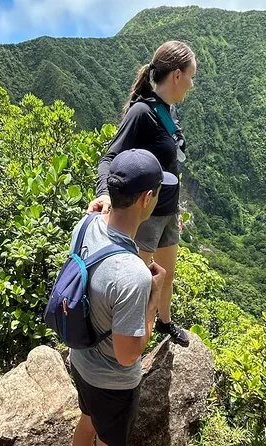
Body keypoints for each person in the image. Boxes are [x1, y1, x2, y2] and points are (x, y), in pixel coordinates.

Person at [87, 40, 197, 348]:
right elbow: (109, 158)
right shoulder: (141, 112)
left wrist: (176, 210)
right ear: (176, 75)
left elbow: (169, 164)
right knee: (140, 280)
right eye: (190, 76)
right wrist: (105, 193)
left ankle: (164, 322)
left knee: (166, 274)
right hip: (145, 215)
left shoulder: (168, 111)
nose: (192, 84)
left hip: (168, 211)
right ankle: (129, 339)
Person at [71, 149, 179, 446]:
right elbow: (127, 355)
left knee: (87, 420)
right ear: (147, 198)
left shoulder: (86, 225)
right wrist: (154, 298)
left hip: (80, 360)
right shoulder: (132, 274)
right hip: (111, 383)